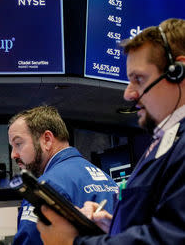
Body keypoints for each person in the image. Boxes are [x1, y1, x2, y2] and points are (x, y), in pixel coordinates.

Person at [37, 18, 185, 245]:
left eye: (138, 79)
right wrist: (114, 224)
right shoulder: (168, 141)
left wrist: (72, 243)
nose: (128, 94)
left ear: (178, 72)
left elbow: (170, 239)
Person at [8, 106, 118, 245]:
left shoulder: (46, 187)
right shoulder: (107, 179)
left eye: (18, 143)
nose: (13, 155)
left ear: (47, 139)